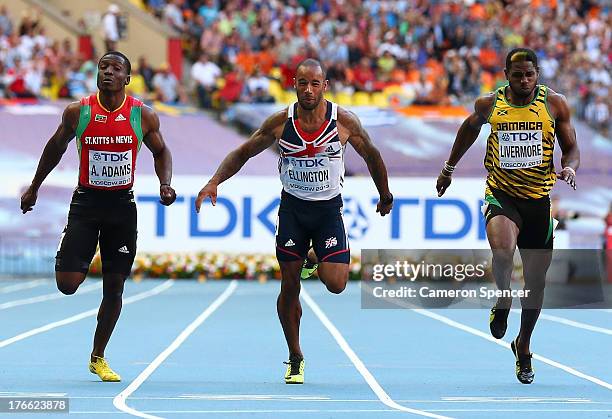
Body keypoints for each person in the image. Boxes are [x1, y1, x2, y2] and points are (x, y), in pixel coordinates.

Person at [195, 59, 393, 384]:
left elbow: (371, 155)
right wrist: (215, 181)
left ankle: (313, 256)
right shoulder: (280, 123)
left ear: (325, 86)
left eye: (315, 83)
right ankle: (295, 355)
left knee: (337, 284)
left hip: (328, 211)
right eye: (303, 83)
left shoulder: (343, 122)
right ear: (295, 85)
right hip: (293, 212)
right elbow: (243, 152)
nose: (309, 89)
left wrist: (384, 194)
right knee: (290, 285)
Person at [20, 51, 176, 382]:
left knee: (114, 288)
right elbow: (55, 147)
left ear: (127, 79)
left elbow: (161, 151)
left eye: (115, 68)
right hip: (87, 204)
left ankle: (98, 356)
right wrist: (34, 187)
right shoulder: (78, 112)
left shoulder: (142, 115)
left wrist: (166, 184)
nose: (107, 72)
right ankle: (71, 251)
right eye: (103, 67)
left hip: (122, 208)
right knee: (67, 285)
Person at [436, 48, 580, 384]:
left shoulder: (554, 104)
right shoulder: (490, 105)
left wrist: (570, 166)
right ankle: (503, 298)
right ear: (506, 74)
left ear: (537, 73)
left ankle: (523, 345)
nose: (524, 80)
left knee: (536, 284)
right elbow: (468, 131)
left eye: (529, 74)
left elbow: (571, 145)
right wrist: (448, 169)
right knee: (502, 250)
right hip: (501, 194)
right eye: (517, 75)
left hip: (538, 201)